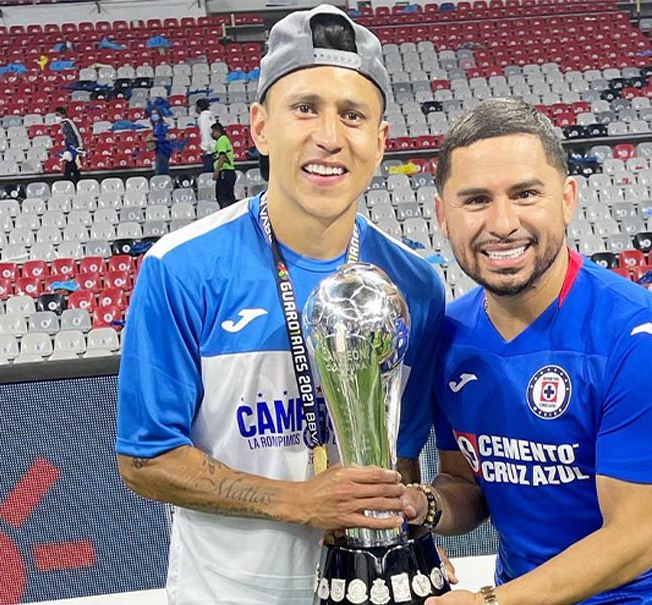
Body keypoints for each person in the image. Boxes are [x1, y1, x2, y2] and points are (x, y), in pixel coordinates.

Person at [115, 5, 447, 604]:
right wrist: (298, 501)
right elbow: (146, 460)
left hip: (369, 592)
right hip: (229, 593)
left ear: (379, 140)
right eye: (304, 108)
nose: (328, 135)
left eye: (352, 115)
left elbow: (401, 457)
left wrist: (403, 534)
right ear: (261, 127)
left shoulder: (416, 285)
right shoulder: (181, 269)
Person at [402, 98, 652, 605]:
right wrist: (422, 505)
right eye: (475, 200)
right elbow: (466, 487)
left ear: (566, 199)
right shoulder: (448, 336)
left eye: (524, 194)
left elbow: (633, 542)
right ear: (442, 216)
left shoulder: (639, 339)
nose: (501, 223)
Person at [211, 122, 237, 207]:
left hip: (224, 172)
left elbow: (222, 156)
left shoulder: (221, 140)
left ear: (217, 131)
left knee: (223, 197)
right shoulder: (225, 139)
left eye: (213, 132)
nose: (212, 134)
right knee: (229, 197)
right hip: (228, 172)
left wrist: (217, 171)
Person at [55, 106, 83, 182]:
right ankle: (76, 185)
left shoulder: (68, 122)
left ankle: (73, 185)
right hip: (70, 149)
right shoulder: (63, 125)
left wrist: (79, 149)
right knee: (74, 171)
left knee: (69, 172)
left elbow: (77, 135)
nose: (56, 117)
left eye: (58, 115)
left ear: (63, 115)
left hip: (74, 150)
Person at [147, 107, 172, 176]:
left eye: (155, 113)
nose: (154, 115)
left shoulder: (163, 125)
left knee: (161, 171)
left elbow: (167, 138)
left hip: (164, 150)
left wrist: (153, 139)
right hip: (158, 150)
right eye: (152, 114)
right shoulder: (155, 127)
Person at [197, 98, 216, 173]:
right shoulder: (211, 115)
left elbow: (205, 132)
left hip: (209, 149)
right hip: (215, 146)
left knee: (209, 172)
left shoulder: (203, 117)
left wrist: (205, 147)